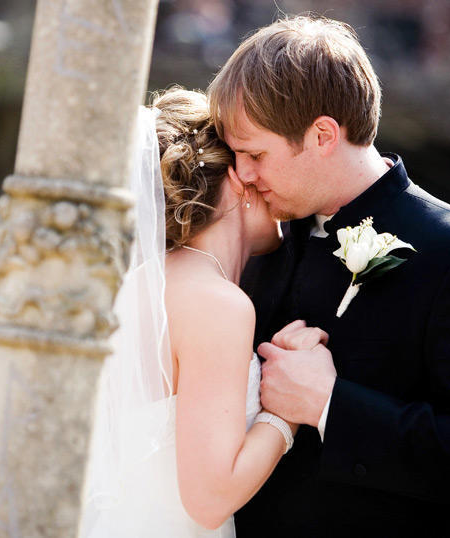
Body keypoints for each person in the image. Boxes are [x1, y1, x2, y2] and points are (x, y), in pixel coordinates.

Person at [207, 14, 450, 538]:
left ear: (321, 135)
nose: (243, 174)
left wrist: (330, 404)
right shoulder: (261, 239)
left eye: (254, 154)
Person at [78, 88, 323, 537]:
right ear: (235, 182)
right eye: (251, 160)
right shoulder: (217, 304)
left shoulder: (142, 284)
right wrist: (284, 412)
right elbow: (210, 499)